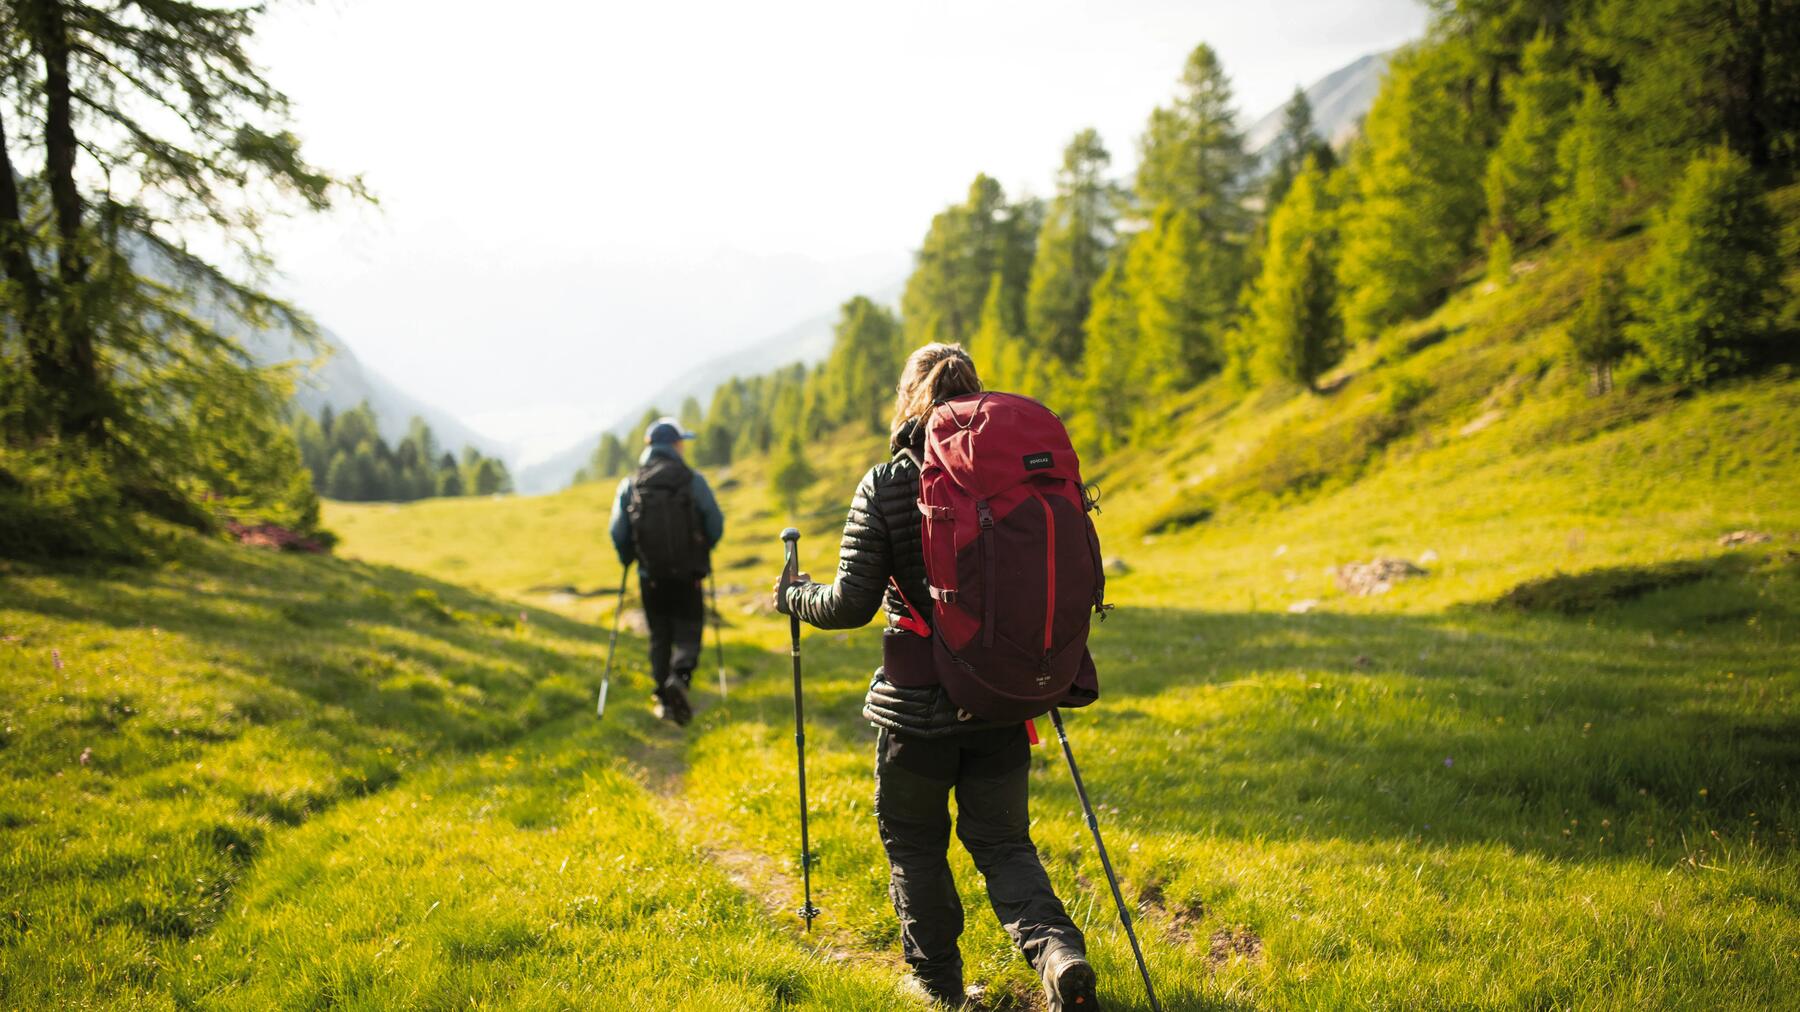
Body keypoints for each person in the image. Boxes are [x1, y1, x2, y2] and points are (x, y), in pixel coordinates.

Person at [774, 345, 1098, 1010]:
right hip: (1001, 696)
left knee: (916, 844)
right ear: (975, 394)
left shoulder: (888, 481)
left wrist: (794, 597)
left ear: (908, 398)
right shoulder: (1007, 475)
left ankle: (938, 985)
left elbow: (849, 605)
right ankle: (1060, 954)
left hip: (916, 709)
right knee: (1004, 842)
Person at [610, 417, 724, 726]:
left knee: (659, 635)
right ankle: (681, 678)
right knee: (689, 630)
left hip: (651, 577)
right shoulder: (693, 480)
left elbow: (618, 532)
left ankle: (662, 697)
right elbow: (715, 523)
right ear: (675, 445)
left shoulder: (630, 484)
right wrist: (703, 548)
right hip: (690, 575)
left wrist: (628, 558)